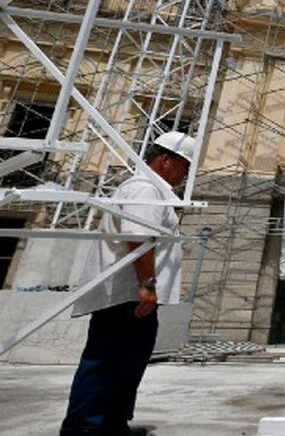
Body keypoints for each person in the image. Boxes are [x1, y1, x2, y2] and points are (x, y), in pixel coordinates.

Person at [62, 131, 195, 435]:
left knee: (127, 363)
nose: (185, 174)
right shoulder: (144, 189)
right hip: (128, 295)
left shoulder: (153, 191)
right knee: (106, 361)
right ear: (164, 160)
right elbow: (139, 235)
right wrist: (147, 284)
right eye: (183, 166)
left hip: (135, 295)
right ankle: (84, 428)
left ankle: (112, 423)